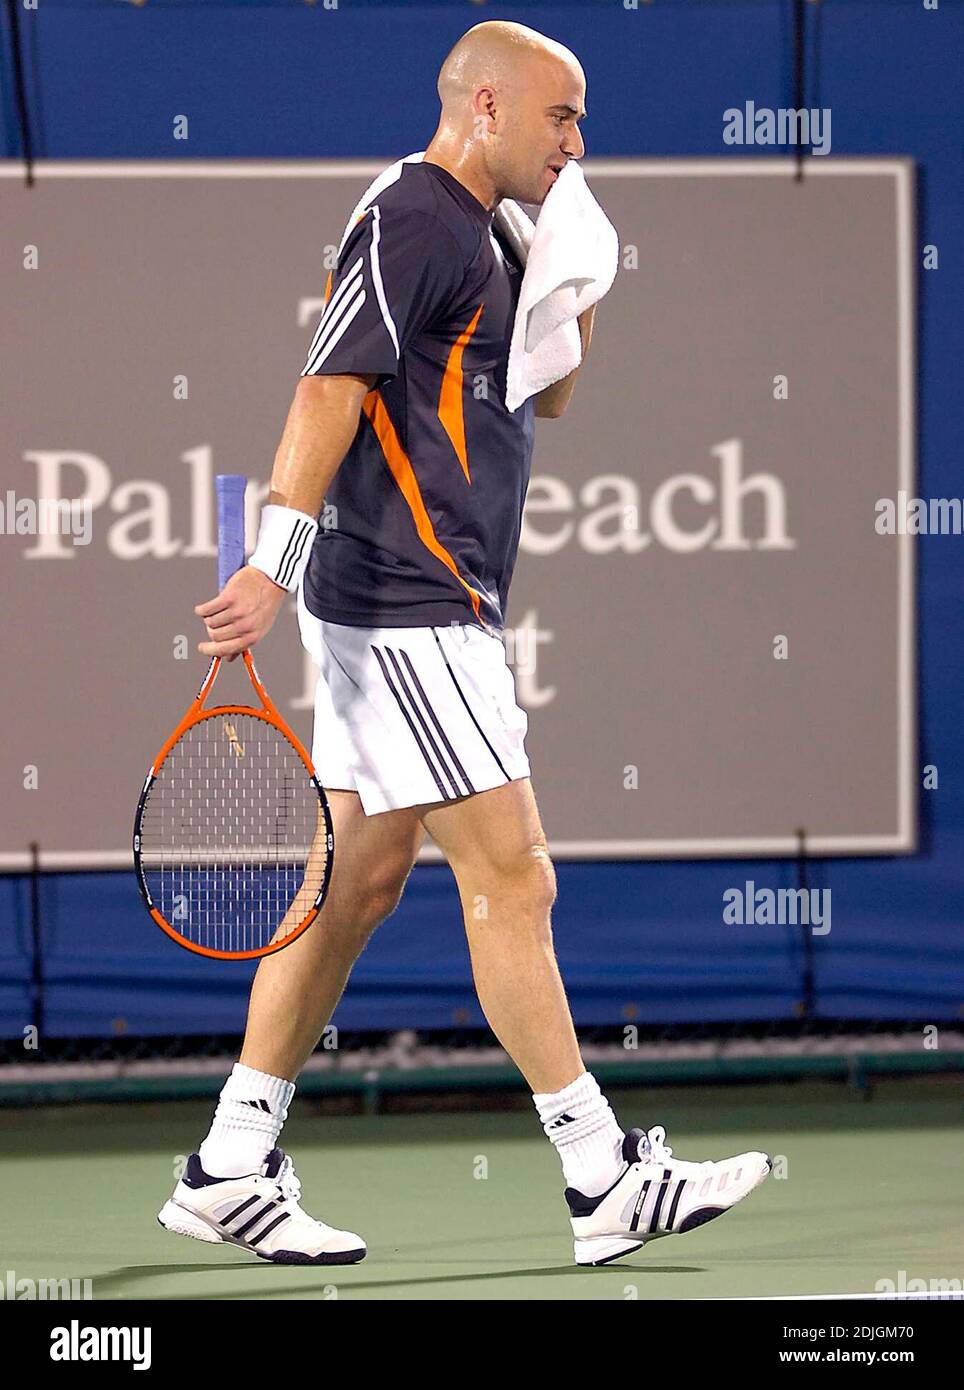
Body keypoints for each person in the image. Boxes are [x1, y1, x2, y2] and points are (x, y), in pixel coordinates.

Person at [158, 20, 770, 1269]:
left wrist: (574, 282)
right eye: (560, 117)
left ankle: (228, 1161)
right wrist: (269, 565)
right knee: (514, 876)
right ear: (484, 106)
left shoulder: (493, 232)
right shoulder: (415, 214)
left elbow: (541, 394)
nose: (577, 140)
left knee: (355, 887)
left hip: (434, 603)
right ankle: (599, 1172)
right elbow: (327, 386)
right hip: (405, 605)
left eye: (583, 120)